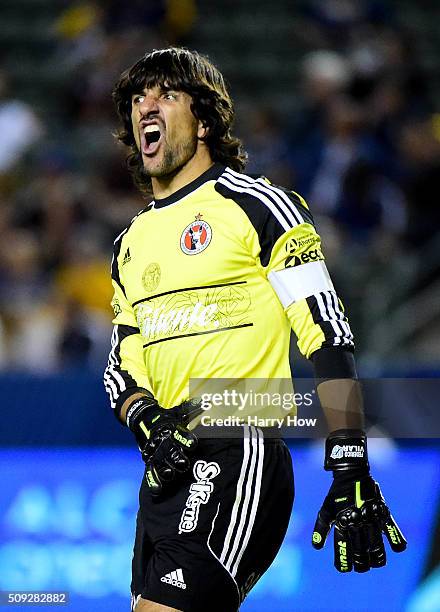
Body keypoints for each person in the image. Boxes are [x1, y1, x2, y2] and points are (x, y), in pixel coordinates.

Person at [104, 47, 406, 612]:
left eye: (167, 94)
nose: (148, 105)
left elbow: (327, 331)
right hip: (166, 471)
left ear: (204, 120)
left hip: (241, 447)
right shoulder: (129, 244)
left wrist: (350, 459)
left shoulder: (260, 205)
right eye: (138, 98)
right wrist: (145, 417)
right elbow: (123, 361)